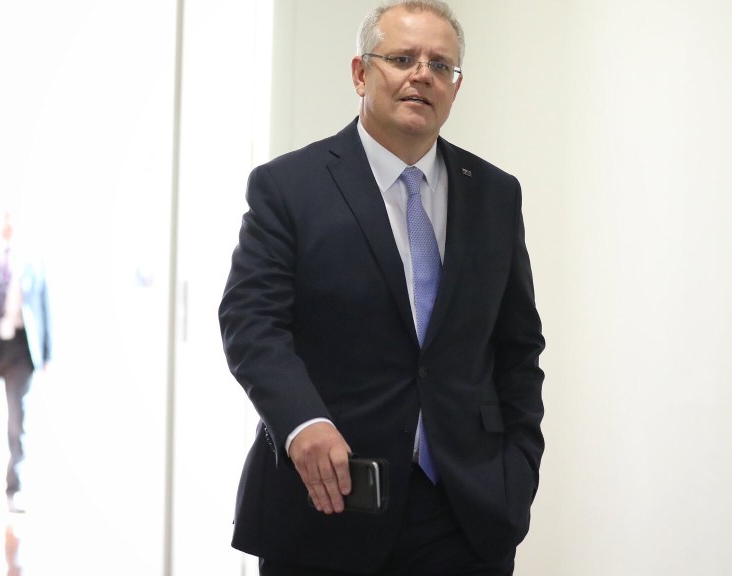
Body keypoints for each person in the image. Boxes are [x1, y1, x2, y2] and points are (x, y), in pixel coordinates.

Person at [218, 1, 545, 574]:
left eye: (440, 65)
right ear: (360, 73)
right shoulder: (289, 187)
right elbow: (251, 324)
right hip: (329, 502)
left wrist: (517, 468)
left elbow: (518, 346)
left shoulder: (496, 194)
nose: (422, 75)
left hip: (466, 514)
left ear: (456, 86)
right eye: (401, 59)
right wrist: (301, 423)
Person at [0, 207, 52, 513]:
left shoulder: (33, 260)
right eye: (5, 218)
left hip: (21, 350)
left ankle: (14, 489)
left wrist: (47, 353)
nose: (9, 224)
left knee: (19, 421)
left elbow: (45, 305)